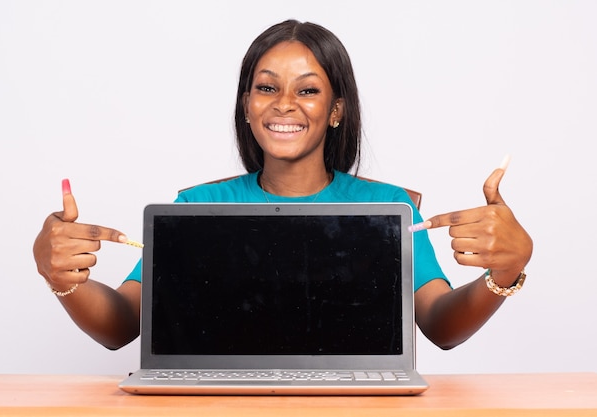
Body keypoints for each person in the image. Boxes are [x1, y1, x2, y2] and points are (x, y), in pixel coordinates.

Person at [33, 19, 532, 351]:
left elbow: (440, 325)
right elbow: (122, 323)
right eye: (267, 87)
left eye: (308, 90)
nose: (284, 104)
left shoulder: (388, 207)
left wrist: (505, 274)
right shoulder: (195, 207)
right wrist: (63, 280)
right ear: (247, 105)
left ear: (336, 109)